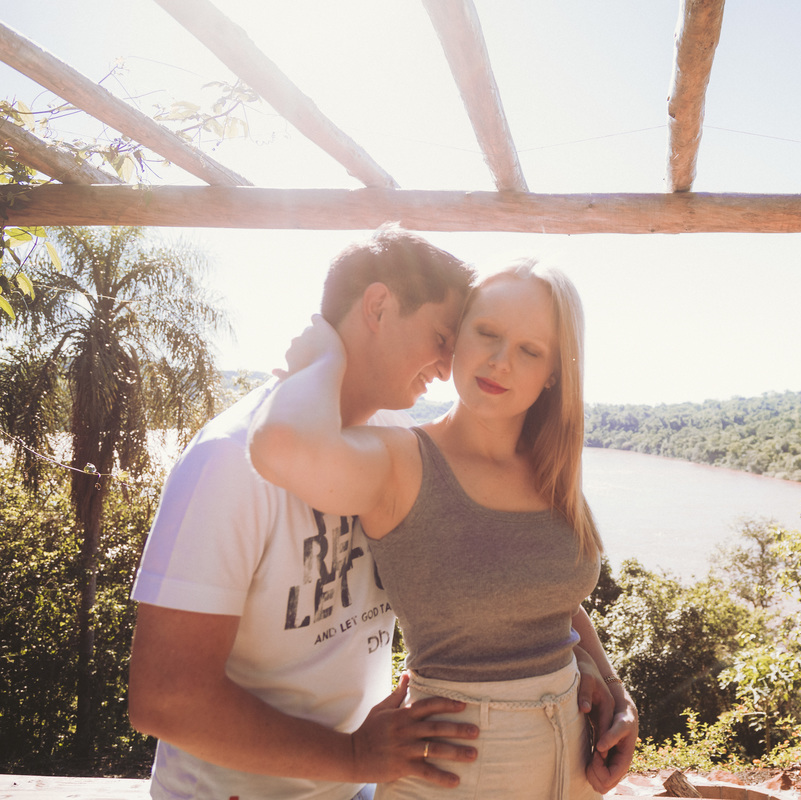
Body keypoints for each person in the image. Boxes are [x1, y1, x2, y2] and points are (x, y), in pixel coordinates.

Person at [128, 227, 617, 800]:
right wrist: (354, 754)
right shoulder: (228, 461)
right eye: (448, 334)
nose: (448, 361)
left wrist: (600, 674)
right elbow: (165, 698)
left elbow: (518, 572)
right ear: (379, 306)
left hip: (354, 786)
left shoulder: (389, 439)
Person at [248, 258, 639, 799]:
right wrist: (321, 354)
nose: (500, 362)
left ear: (553, 372)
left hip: (573, 761)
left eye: (529, 350)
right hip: (456, 770)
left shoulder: (550, 470)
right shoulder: (402, 460)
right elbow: (280, 448)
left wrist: (614, 688)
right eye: (487, 333)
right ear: (456, 339)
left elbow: (556, 601)